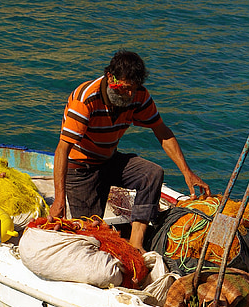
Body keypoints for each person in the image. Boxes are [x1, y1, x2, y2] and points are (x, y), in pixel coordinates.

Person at [50, 49, 210, 252]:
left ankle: (136, 243)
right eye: (124, 89)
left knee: (152, 173)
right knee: (91, 235)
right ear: (110, 77)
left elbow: (162, 131)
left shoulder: (138, 96)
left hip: (109, 160)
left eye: (133, 89)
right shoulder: (85, 100)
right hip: (81, 169)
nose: (129, 95)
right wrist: (58, 199)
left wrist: (187, 172)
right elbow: (62, 150)